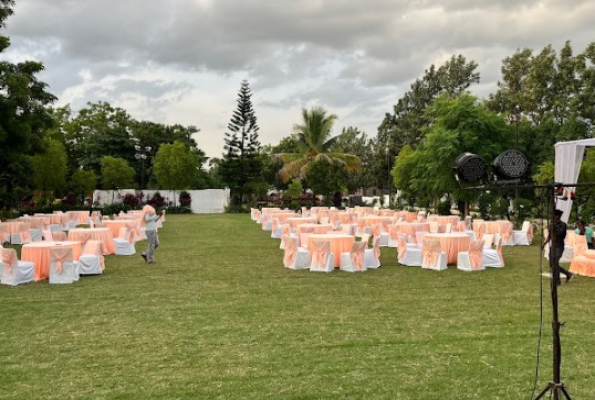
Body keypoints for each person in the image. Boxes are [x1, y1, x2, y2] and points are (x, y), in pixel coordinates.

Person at [542, 209, 573, 284]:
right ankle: (568, 274)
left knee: (555, 263)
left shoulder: (563, 225)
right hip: (553, 246)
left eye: (552, 215)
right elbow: (549, 236)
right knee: (552, 264)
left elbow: (561, 234)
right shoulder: (551, 224)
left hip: (559, 246)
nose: (550, 217)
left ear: (556, 216)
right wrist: (544, 244)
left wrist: (555, 226)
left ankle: (557, 281)